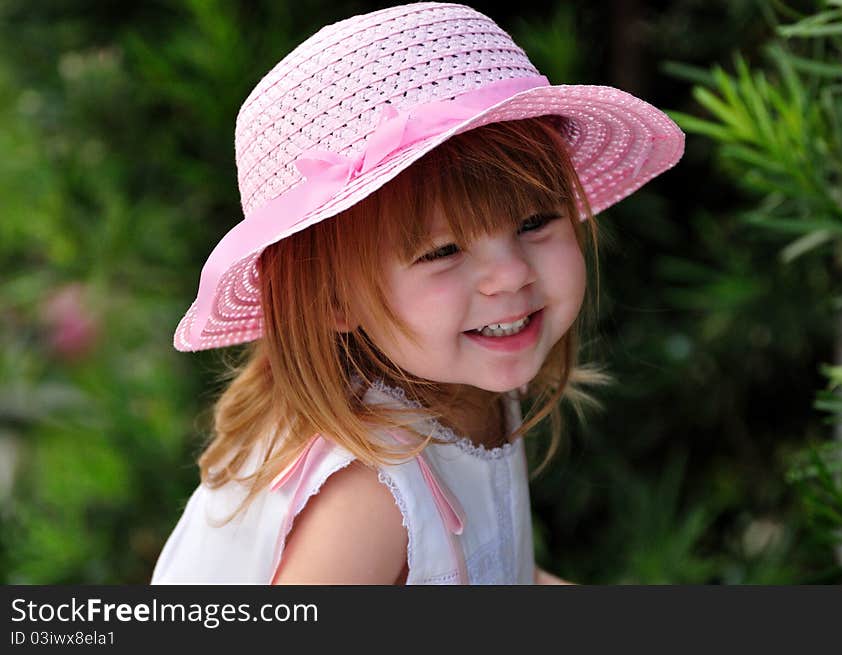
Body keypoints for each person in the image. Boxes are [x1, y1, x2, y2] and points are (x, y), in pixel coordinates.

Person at [150, 2, 684, 585]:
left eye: (535, 222)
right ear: (333, 298)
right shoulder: (365, 499)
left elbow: (491, 570)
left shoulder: (465, 383)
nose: (509, 275)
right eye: (441, 251)